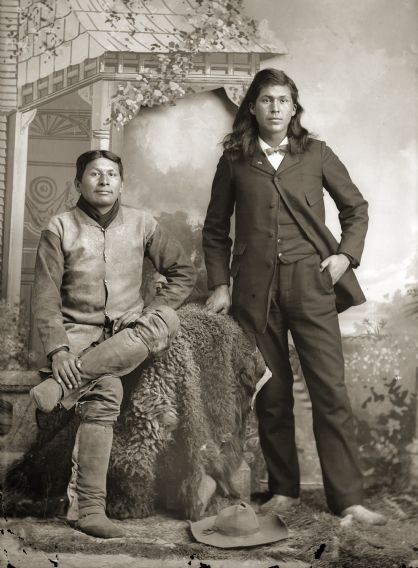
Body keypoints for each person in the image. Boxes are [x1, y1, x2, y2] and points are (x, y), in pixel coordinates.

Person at [202, 68, 386, 525]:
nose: (276, 108)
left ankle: (348, 500)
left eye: (284, 100)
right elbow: (215, 230)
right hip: (253, 294)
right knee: (272, 394)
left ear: (294, 107)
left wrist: (345, 256)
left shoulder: (316, 153)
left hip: (312, 285)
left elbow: (356, 209)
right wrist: (221, 285)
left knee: (330, 392)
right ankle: (283, 491)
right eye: (267, 100)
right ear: (253, 106)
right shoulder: (235, 160)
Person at [30, 149, 196, 538]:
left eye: (111, 175)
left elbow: (182, 271)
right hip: (78, 335)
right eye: (94, 174)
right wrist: (58, 350)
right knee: (105, 390)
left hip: (132, 330)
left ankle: (64, 385)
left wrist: (153, 308)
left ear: (122, 183)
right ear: (78, 183)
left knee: (166, 319)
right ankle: (88, 510)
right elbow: (45, 297)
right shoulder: (59, 227)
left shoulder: (142, 223)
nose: (103, 181)